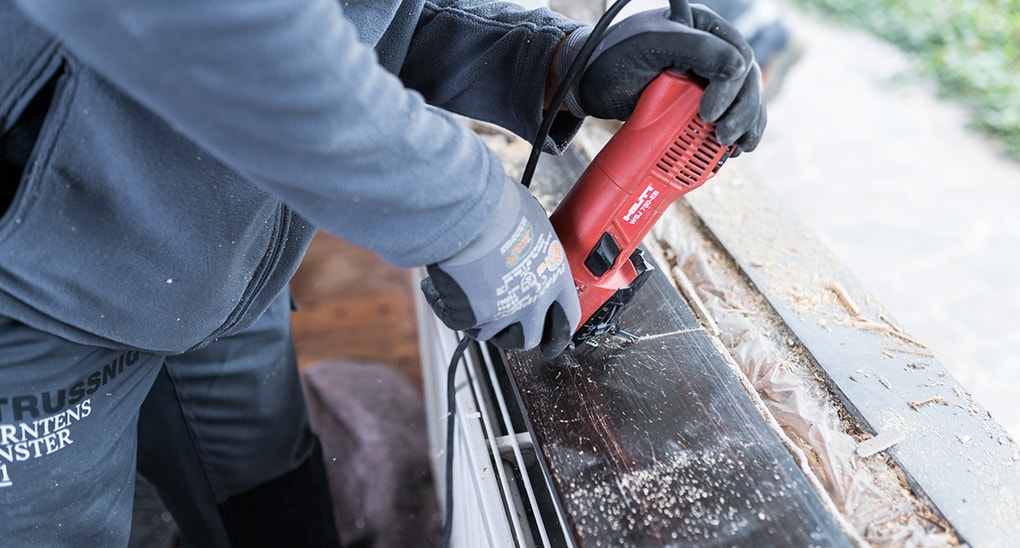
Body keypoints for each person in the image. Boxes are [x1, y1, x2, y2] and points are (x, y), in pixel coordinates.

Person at [0, 0, 764, 545]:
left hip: (218, 251)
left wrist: (547, 61)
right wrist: (467, 212)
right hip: (34, 276)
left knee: (275, 494)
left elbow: (354, 15)